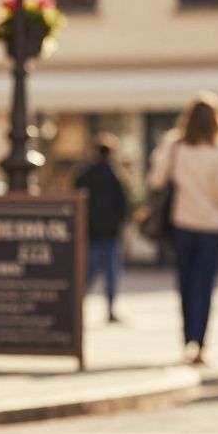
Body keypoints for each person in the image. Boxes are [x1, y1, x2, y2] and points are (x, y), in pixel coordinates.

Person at [146, 92, 218, 366]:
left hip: (182, 223)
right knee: (205, 285)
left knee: (186, 284)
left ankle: (188, 339)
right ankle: (200, 344)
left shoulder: (175, 145)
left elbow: (156, 179)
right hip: (213, 226)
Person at [74, 133, 129, 323]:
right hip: (110, 233)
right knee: (111, 275)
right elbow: (123, 205)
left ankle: (76, 306)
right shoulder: (115, 175)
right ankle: (110, 309)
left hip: (91, 232)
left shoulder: (84, 175)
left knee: (87, 274)